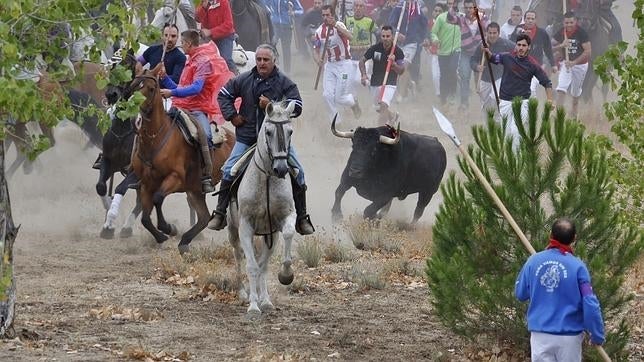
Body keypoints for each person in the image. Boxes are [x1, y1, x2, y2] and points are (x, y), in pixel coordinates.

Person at [208, 44, 315, 235]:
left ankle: (302, 217)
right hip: (247, 137)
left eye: (266, 60)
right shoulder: (243, 79)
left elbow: (297, 105)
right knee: (229, 170)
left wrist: (272, 105)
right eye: (259, 59)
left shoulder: (284, 82)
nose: (261, 63)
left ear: (274, 61)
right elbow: (224, 95)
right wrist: (232, 116)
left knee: (299, 172)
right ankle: (220, 212)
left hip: (277, 141)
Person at [515, 218, 605, 361]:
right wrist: (597, 335)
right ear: (574, 238)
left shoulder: (533, 261)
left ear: (550, 235)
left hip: (540, 336)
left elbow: (520, 294)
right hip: (568, 339)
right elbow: (590, 304)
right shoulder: (578, 267)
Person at [159, 30, 232, 193]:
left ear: (189, 44)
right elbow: (180, 88)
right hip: (181, 105)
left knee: (204, 135)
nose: (181, 46)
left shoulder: (203, 62)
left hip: (197, 109)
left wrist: (172, 93)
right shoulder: (189, 61)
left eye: (182, 43)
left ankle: (206, 174)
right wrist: (165, 79)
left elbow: (197, 88)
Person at [483, 33, 553, 148]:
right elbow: (492, 58)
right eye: (519, 45)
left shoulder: (532, 64)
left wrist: (550, 100)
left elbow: (547, 82)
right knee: (506, 134)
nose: (521, 48)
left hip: (522, 102)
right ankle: (508, 161)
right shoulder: (507, 57)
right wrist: (486, 50)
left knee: (516, 132)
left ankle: (517, 159)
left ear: (529, 47)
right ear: (516, 45)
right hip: (505, 102)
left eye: (524, 45)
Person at [313, 5, 361, 122]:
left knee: (340, 98)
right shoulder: (319, 31)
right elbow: (316, 49)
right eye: (323, 15)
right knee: (327, 95)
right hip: (330, 65)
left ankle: (353, 103)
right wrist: (318, 59)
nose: (325, 17)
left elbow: (350, 36)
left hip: (344, 64)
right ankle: (337, 122)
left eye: (328, 15)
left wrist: (335, 25)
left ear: (332, 15)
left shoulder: (339, 25)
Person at [359, 25, 404, 125]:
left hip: (389, 83)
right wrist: (363, 75)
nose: (385, 39)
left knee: (383, 105)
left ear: (392, 36)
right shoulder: (375, 48)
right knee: (378, 108)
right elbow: (362, 61)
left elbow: (401, 70)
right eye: (383, 36)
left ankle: (380, 130)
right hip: (375, 82)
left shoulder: (397, 51)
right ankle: (392, 116)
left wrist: (394, 65)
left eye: (388, 36)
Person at [446, 0, 486, 111]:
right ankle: (464, 104)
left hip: (479, 54)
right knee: (464, 77)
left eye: (471, 8)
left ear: (475, 8)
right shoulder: (461, 19)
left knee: (480, 81)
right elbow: (449, 18)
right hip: (466, 53)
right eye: (466, 8)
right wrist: (454, 6)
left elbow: (491, 30)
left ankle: (483, 104)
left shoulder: (483, 18)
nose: (468, 10)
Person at [470, 22, 514, 119]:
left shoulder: (506, 44)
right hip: (485, 79)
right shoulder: (481, 45)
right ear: (486, 33)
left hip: (500, 77)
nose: (492, 35)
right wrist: (477, 67)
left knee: (496, 97)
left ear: (499, 33)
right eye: (490, 33)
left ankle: (498, 119)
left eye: (494, 33)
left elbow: (518, 50)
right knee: (485, 105)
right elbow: (473, 60)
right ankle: (488, 125)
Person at [386, 0, 427, 103]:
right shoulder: (398, 8)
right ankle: (409, 84)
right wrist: (396, 33)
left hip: (411, 43)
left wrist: (423, 38)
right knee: (396, 68)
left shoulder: (417, 10)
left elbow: (424, 25)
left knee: (403, 66)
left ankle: (401, 94)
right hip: (397, 43)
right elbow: (390, 25)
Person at [552, 11, 591, 118]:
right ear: (563, 23)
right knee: (561, 87)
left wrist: (574, 62)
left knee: (575, 92)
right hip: (566, 64)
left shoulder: (582, 33)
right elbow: (549, 47)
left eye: (571, 22)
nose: (569, 25)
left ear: (576, 21)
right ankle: (558, 114)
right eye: (566, 23)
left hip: (580, 65)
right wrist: (561, 45)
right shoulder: (561, 32)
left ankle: (574, 113)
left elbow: (587, 52)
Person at [509, 10, 556, 98]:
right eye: (528, 18)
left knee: (530, 89)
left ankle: (531, 108)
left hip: (536, 66)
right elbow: (510, 45)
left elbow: (548, 49)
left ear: (536, 20)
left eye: (532, 18)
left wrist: (553, 64)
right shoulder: (518, 30)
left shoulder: (542, 33)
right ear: (524, 19)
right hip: (519, 65)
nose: (530, 21)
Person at [430, 0, 460, 109]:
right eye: (449, 4)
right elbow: (433, 32)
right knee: (443, 75)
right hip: (442, 51)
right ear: (447, 5)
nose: (451, 6)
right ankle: (443, 98)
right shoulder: (441, 18)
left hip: (456, 50)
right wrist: (436, 40)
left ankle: (452, 93)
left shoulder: (461, 17)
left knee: (452, 70)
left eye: (453, 4)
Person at [196, 0, 238, 73]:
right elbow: (199, 19)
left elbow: (229, 25)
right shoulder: (201, 3)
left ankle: (235, 78)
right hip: (208, 38)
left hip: (225, 36)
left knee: (225, 59)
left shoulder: (223, 2)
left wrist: (210, 32)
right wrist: (204, 8)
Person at [263, 0, 304, 73]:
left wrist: (293, 13)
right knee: (271, 45)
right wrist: (269, 12)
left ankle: (287, 71)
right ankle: (271, 68)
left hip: (286, 26)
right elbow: (264, 4)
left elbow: (301, 10)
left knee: (286, 50)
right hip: (275, 25)